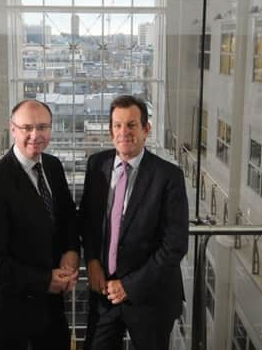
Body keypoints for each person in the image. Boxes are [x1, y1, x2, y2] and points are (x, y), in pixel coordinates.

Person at [0, 99, 79, 350]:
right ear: (13, 129)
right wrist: (44, 280)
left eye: (42, 127)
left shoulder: (52, 166)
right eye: (27, 127)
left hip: (48, 312)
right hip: (7, 318)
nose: (35, 135)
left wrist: (71, 253)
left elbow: (68, 217)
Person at [80, 95, 189, 350]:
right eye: (117, 125)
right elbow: (88, 221)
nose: (124, 132)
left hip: (151, 298)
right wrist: (93, 261)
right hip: (105, 294)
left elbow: (174, 245)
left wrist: (129, 286)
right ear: (110, 131)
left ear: (146, 129)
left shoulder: (168, 176)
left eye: (131, 125)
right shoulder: (97, 165)